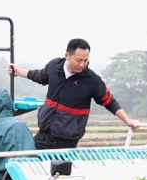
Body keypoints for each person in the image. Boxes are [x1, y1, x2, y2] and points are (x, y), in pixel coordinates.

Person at [8, 38, 139, 150]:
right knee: (28, 170)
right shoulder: (54, 66)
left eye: (86, 60)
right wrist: (19, 72)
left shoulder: (92, 80)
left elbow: (109, 101)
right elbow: (40, 76)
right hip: (43, 135)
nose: (82, 64)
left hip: (66, 143)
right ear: (67, 56)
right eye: (78, 60)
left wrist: (128, 121)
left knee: (57, 176)